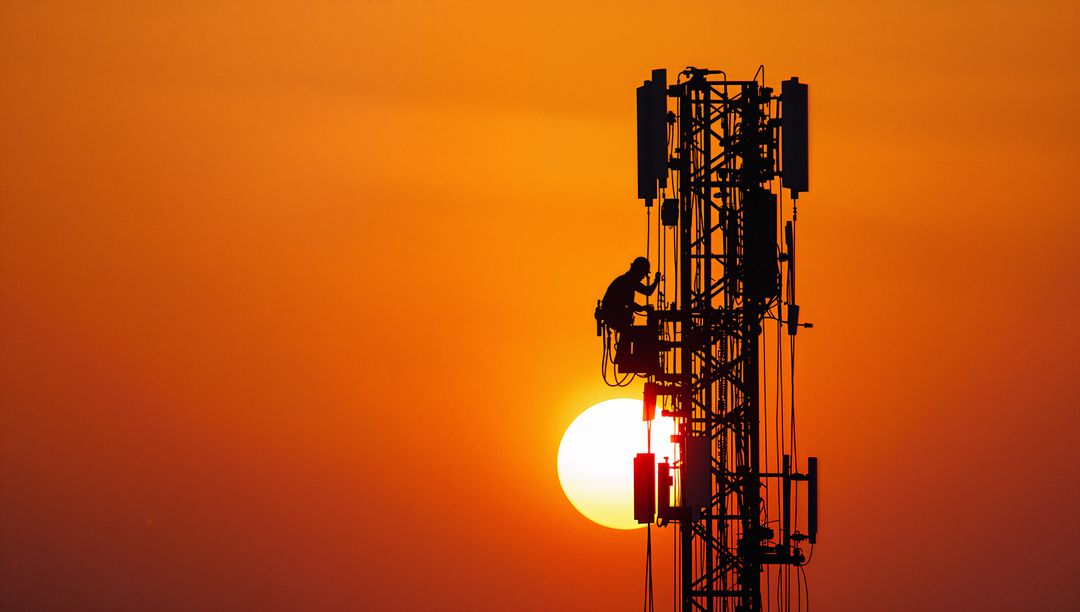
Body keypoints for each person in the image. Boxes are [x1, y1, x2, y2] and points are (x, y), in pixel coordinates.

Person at [600, 257, 661, 332]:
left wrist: (642, 308)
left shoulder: (627, 279)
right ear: (638, 271)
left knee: (627, 333)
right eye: (643, 273)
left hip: (612, 314)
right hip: (613, 314)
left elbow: (647, 292)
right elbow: (629, 302)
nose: (643, 277)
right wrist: (642, 308)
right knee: (631, 333)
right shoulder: (627, 281)